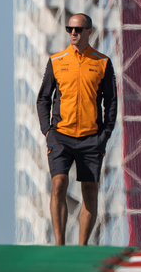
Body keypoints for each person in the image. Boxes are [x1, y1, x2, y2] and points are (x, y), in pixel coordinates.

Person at [36, 12, 117, 245]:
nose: (73, 33)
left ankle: (81, 247)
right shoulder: (57, 61)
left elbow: (111, 101)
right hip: (60, 136)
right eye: (70, 29)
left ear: (89, 31)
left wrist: (106, 133)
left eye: (78, 29)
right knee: (59, 183)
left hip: (92, 138)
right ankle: (59, 245)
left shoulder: (102, 62)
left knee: (90, 190)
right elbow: (43, 98)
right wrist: (47, 130)